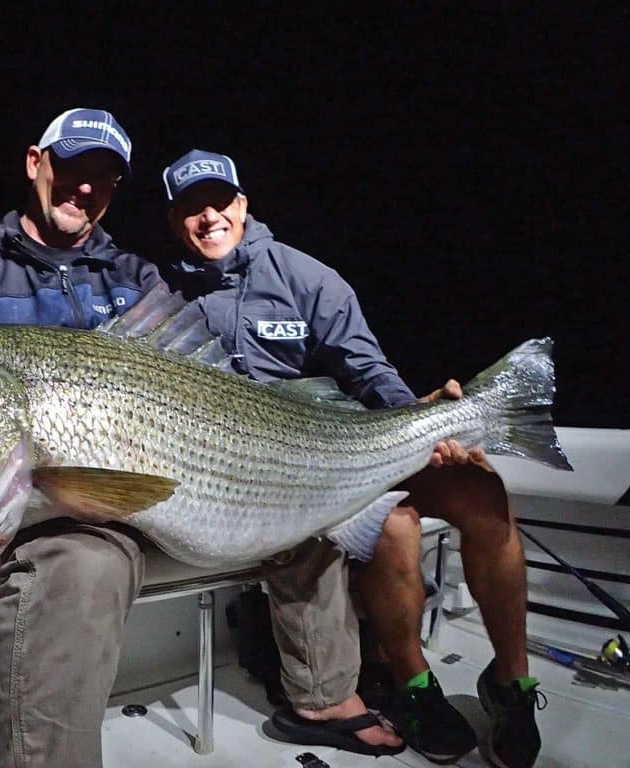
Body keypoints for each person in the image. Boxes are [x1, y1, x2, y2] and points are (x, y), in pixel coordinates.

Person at [161, 149, 545, 768]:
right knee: (395, 526)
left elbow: (367, 368)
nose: (207, 218)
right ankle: (414, 685)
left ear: (243, 204)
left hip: (347, 441)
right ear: (174, 221)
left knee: (483, 491)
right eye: (189, 208)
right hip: (268, 470)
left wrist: (420, 423)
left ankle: (510, 680)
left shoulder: (305, 276)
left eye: (219, 201)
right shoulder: (165, 293)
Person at [0, 108, 163, 768]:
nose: (86, 188)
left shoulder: (138, 281)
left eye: (103, 178)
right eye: (73, 169)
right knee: (81, 564)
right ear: (35, 163)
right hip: (25, 510)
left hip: (150, 496)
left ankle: (326, 696)